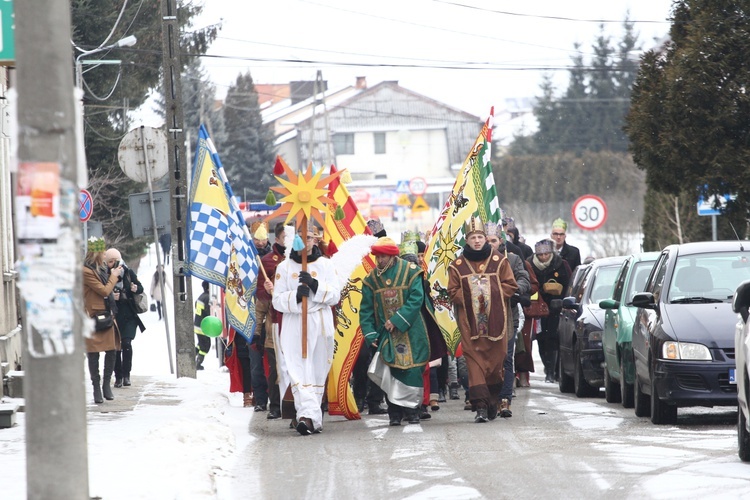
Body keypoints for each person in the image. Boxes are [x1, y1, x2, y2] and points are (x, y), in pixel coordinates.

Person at [272, 222, 341, 436]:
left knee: (317, 369)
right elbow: (277, 301)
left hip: (319, 322)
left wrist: (314, 286)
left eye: (310, 238)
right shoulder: (284, 267)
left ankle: (312, 417)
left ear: (316, 239)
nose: (306, 243)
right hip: (295, 323)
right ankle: (306, 417)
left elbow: (335, 295)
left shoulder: (326, 265)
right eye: (302, 238)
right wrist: (295, 296)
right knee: (298, 368)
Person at [448, 215, 517, 423]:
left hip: (496, 325)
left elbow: (511, 286)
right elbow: (453, 291)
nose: (477, 241)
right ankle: (479, 406)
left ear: (485, 239)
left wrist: (489, 293)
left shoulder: (499, 261)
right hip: (470, 326)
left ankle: (493, 400)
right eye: (473, 237)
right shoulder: (457, 265)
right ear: (467, 241)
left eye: (480, 236)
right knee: (474, 364)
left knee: (496, 366)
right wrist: (472, 297)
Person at [360, 237, 432, 426]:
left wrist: (397, 320)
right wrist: (370, 334)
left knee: (412, 370)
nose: (380, 259)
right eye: (377, 256)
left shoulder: (412, 272)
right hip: (386, 333)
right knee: (390, 371)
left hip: (412, 330)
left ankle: (413, 410)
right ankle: (394, 413)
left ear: (392, 255)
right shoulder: (370, 279)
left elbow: (417, 298)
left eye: (383, 256)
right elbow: (366, 310)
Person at [484, 220, 530, 418]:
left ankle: (505, 399)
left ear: (500, 241)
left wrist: (511, 290)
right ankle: (486, 399)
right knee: (486, 359)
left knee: (506, 358)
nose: (490, 244)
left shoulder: (511, 259)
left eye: (493, 240)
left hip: (507, 314)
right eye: (486, 240)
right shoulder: (476, 261)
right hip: (483, 318)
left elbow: (523, 278)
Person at [83, 236, 122, 404]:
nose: (105, 254)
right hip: (92, 317)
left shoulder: (101, 269)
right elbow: (104, 291)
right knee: (93, 354)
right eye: (103, 251)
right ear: (96, 253)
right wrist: (113, 276)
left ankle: (106, 384)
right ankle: (96, 387)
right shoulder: (85, 271)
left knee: (112, 350)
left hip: (106, 316)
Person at [527, 239, 572, 383]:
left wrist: (561, 299)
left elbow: (568, 284)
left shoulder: (560, 264)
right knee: (541, 338)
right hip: (538, 307)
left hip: (556, 307)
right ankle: (547, 366)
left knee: (553, 337)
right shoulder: (529, 264)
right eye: (541, 255)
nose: (544, 257)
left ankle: (552, 371)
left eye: (546, 254)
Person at [104, 248, 145, 388]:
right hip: (114, 315)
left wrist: (134, 288)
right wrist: (111, 298)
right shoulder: (105, 275)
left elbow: (140, 288)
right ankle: (118, 376)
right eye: (108, 262)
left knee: (126, 344)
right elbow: (102, 292)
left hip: (129, 315)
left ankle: (127, 375)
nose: (110, 264)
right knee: (116, 347)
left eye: (112, 261)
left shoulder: (128, 272)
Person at [259, 222, 287, 420]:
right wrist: (256, 334)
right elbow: (260, 298)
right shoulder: (268, 261)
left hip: (299, 324)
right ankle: (275, 406)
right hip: (275, 326)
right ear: (277, 238)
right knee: (276, 369)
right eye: (286, 237)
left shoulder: (308, 261)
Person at [194, 280, 212, 370]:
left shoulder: (201, 296)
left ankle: (192, 356)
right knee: (205, 346)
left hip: (197, 324)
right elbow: (209, 313)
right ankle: (198, 363)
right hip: (203, 327)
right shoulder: (208, 298)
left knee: (201, 344)